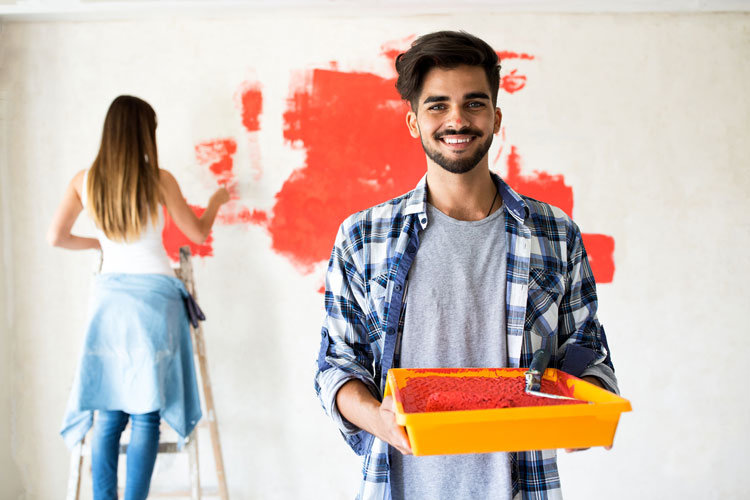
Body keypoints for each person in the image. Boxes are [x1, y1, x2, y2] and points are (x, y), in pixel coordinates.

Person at [314, 31, 619, 500]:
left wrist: (583, 412)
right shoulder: (363, 236)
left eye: (474, 104)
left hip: (521, 488)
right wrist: (379, 419)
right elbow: (337, 364)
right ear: (414, 122)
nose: (457, 119)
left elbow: (586, 352)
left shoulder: (554, 233)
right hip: (401, 487)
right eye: (438, 105)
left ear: (496, 118)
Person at [48, 95, 229, 500]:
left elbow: (55, 237)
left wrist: (102, 244)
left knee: (108, 412)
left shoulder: (84, 180)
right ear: (145, 133)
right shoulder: (159, 180)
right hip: (155, 303)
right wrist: (215, 202)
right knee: (146, 415)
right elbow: (197, 235)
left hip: (109, 303)